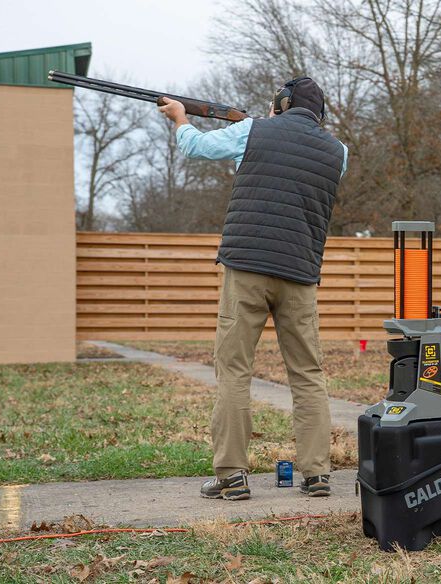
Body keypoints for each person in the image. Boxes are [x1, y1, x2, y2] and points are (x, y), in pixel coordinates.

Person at [158, 77, 348, 500]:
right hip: (300, 272)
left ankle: (232, 476)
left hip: (246, 267)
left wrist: (180, 118)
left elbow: (196, 147)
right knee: (308, 375)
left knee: (234, 371)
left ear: (281, 103)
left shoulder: (254, 130)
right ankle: (317, 473)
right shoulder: (340, 152)